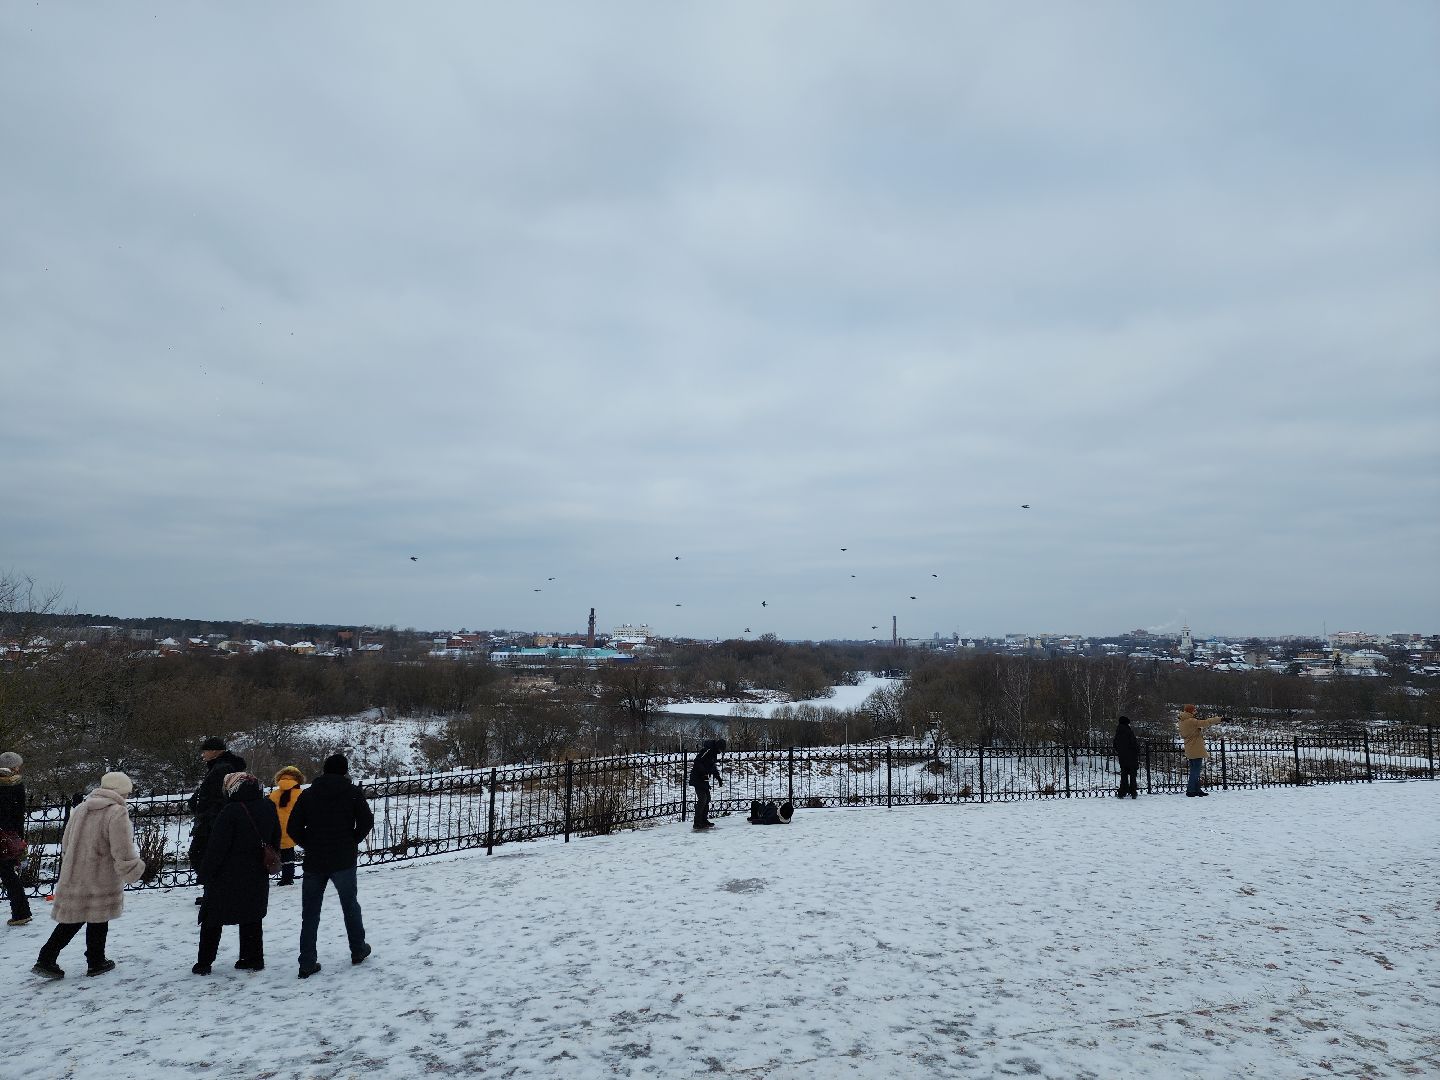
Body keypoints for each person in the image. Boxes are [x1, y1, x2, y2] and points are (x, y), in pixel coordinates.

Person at [33, 772, 147, 979]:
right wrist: (133, 869)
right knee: (98, 917)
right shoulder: (117, 812)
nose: (128, 796)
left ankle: (50, 957)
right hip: (101, 874)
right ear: (120, 791)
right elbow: (121, 848)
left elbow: (66, 842)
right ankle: (93, 961)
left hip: (76, 873)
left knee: (75, 918)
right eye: (127, 792)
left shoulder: (81, 808)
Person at [286, 753, 374, 978]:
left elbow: (293, 828)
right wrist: (351, 840)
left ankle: (307, 962)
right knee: (350, 906)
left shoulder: (309, 794)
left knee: (310, 913)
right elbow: (367, 821)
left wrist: (310, 844)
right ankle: (358, 949)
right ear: (344, 771)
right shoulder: (352, 793)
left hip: (315, 860)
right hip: (343, 859)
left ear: (324, 770)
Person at [193, 772, 281, 974]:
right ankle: (253, 958)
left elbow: (217, 847)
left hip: (227, 874)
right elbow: (275, 838)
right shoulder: (268, 806)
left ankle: (204, 962)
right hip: (256, 872)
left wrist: (206, 873)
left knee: (213, 918)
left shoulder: (231, 811)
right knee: (252, 915)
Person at [187, 737, 247, 904]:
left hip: (212, 822)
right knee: (207, 856)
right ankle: (213, 891)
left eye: (205, 751)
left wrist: (207, 813)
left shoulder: (222, 768)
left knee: (201, 855)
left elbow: (219, 797)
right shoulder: (220, 767)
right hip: (212, 820)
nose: (203, 755)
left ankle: (215, 891)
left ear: (214, 751)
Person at [0, 751, 33, 926]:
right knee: (9, 875)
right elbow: (19, 813)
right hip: (9, 835)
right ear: (14, 767)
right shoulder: (16, 784)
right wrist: (19, 837)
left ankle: (21, 912)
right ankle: (21, 912)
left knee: (7, 875)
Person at [268, 766, 306, 886]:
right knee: (289, 853)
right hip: (293, 828)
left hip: (276, 828)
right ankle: (288, 876)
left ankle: (278, 874)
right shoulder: (300, 793)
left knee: (281, 852)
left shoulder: (274, 794)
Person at [1178, 704, 1225, 797]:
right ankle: (1191, 790)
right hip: (1195, 748)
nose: (1195, 711)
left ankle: (1196, 790)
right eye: (1194, 710)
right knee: (1195, 771)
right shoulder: (1191, 721)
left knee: (1194, 770)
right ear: (1190, 711)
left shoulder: (1182, 721)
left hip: (1190, 748)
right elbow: (1206, 722)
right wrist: (1221, 719)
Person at [689, 739, 725, 831]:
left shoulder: (713, 753)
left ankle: (704, 820)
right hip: (698, 777)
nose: (721, 752)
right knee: (702, 799)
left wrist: (718, 778)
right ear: (718, 747)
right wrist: (703, 772)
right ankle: (697, 823)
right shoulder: (707, 750)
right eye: (721, 749)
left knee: (707, 798)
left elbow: (712, 766)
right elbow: (697, 761)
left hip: (704, 779)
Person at [1112, 716, 1140, 799]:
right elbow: (1133, 743)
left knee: (1124, 775)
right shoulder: (1128, 731)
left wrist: (1120, 752)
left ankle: (1122, 792)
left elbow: (1115, 744)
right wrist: (1136, 751)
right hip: (1131, 756)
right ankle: (1133, 791)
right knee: (1132, 775)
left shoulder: (1118, 731)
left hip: (1123, 757)